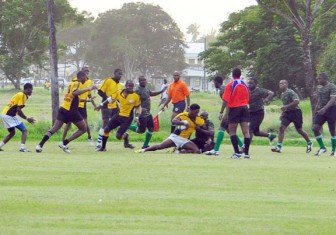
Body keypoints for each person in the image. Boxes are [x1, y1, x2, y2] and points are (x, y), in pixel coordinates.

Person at [35, 71, 97, 153]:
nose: (86, 79)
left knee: (54, 128)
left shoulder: (71, 83)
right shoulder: (77, 83)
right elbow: (75, 93)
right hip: (71, 111)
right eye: (85, 77)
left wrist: (88, 100)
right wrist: (89, 88)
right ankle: (64, 143)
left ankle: (40, 145)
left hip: (63, 108)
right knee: (83, 128)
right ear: (81, 77)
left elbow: (74, 97)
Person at [135, 103, 206, 154]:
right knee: (160, 146)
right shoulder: (183, 115)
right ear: (190, 110)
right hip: (176, 137)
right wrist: (184, 123)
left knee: (196, 151)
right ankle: (143, 150)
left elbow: (204, 128)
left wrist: (200, 126)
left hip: (185, 140)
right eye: (196, 112)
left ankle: (178, 152)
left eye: (198, 112)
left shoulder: (199, 119)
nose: (197, 114)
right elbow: (174, 120)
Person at [96, 80, 141, 151]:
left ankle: (125, 136)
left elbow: (138, 107)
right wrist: (100, 105)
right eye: (129, 86)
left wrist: (137, 117)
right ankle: (103, 147)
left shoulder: (135, 96)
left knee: (118, 136)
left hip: (127, 118)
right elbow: (109, 99)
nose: (131, 88)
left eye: (132, 86)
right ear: (126, 86)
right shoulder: (119, 92)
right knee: (106, 129)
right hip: (119, 115)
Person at [205, 76, 244, 156]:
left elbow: (227, 102)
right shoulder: (224, 88)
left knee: (222, 128)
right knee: (229, 130)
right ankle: (242, 146)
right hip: (236, 109)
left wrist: (224, 113)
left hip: (231, 110)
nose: (213, 84)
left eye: (213, 82)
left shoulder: (223, 89)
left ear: (216, 82)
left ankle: (216, 150)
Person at [271, 80, 313, 153]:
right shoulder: (282, 94)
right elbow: (285, 106)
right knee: (281, 128)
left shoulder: (290, 92)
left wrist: (286, 107)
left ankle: (309, 143)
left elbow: (297, 101)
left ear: (286, 84)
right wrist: (282, 113)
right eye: (279, 83)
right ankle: (279, 146)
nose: (280, 85)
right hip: (287, 113)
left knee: (299, 130)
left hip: (296, 112)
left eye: (282, 83)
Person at [129, 76, 167, 149]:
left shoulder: (146, 88)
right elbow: (133, 102)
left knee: (151, 128)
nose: (144, 81)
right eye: (142, 80)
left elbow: (151, 93)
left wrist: (161, 91)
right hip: (141, 113)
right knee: (141, 130)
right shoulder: (137, 91)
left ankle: (145, 145)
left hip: (148, 113)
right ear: (139, 81)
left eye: (145, 80)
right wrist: (140, 108)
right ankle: (127, 126)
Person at [62, 67, 97, 146]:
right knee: (68, 123)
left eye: (88, 72)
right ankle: (63, 140)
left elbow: (89, 95)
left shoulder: (89, 82)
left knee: (85, 123)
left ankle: (89, 137)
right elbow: (71, 91)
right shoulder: (75, 81)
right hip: (74, 105)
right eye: (85, 72)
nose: (87, 73)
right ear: (81, 73)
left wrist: (94, 105)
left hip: (82, 105)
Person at [222, 68, 251, 159]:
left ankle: (237, 153)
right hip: (244, 108)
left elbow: (226, 100)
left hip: (234, 108)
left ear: (232, 75)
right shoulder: (245, 84)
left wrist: (222, 112)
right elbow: (248, 97)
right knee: (246, 132)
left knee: (232, 131)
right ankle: (246, 154)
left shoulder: (230, 85)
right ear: (240, 74)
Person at [0, 83, 35, 152]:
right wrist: (27, 118)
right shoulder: (22, 95)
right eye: (31, 90)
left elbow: (17, 110)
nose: (31, 91)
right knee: (24, 130)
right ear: (28, 89)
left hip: (5, 114)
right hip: (9, 115)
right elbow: (18, 110)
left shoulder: (21, 94)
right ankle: (22, 148)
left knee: (12, 133)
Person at [95, 68, 124, 149]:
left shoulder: (120, 86)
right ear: (114, 73)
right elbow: (100, 91)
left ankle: (125, 137)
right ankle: (98, 144)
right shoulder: (108, 81)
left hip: (115, 107)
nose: (120, 75)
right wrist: (107, 98)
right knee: (105, 124)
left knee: (122, 121)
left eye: (121, 74)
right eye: (119, 73)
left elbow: (119, 98)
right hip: (106, 106)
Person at [312, 72, 336, 156]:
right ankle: (322, 147)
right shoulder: (320, 88)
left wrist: (325, 109)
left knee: (332, 130)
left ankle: (333, 150)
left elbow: (333, 99)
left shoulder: (332, 86)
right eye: (318, 78)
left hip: (331, 110)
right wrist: (316, 108)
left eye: (320, 78)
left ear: (325, 79)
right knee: (315, 128)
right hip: (321, 110)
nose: (318, 80)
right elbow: (319, 99)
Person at [247, 77, 276, 142]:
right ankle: (270, 136)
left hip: (259, 113)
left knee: (250, 129)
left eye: (251, 83)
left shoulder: (259, 90)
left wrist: (266, 99)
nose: (249, 84)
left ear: (256, 84)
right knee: (256, 132)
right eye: (249, 83)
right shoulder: (247, 91)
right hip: (251, 112)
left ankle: (245, 148)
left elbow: (271, 93)